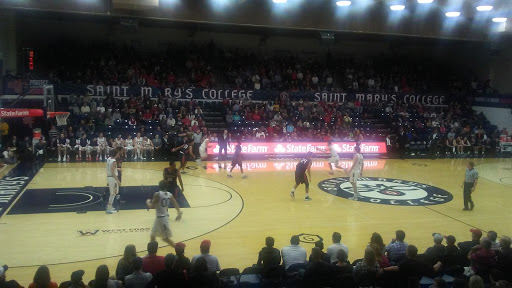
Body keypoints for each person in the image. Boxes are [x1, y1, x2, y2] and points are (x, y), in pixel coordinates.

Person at [146, 181, 183, 248]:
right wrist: (179, 213)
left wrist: (147, 202)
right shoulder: (169, 194)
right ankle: (152, 253)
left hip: (161, 219)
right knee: (152, 235)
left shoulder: (157, 194)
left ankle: (178, 250)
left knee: (165, 238)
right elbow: (175, 204)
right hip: (160, 218)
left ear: (159, 186)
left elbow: (152, 206)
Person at [106, 147, 123, 214]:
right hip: (113, 178)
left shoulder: (109, 159)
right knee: (113, 193)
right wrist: (118, 180)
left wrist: (117, 169)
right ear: (116, 154)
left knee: (113, 193)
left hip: (109, 177)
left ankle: (109, 206)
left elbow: (110, 169)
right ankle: (109, 209)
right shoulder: (114, 162)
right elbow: (113, 173)